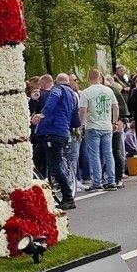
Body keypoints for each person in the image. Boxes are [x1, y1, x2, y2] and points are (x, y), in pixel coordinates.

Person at [32, 73, 80, 208]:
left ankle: (68, 198)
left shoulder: (58, 89)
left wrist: (42, 114)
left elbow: (54, 98)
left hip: (51, 131)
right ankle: (44, 188)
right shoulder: (73, 95)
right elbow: (76, 119)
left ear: (57, 82)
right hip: (62, 132)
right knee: (38, 157)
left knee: (55, 167)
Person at [78, 69, 120, 192]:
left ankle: (97, 181)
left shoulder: (86, 92)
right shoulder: (108, 90)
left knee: (94, 154)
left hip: (93, 126)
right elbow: (115, 106)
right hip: (106, 125)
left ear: (88, 78)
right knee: (108, 153)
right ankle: (111, 180)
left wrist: (82, 125)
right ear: (100, 77)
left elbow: (82, 110)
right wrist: (114, 121)